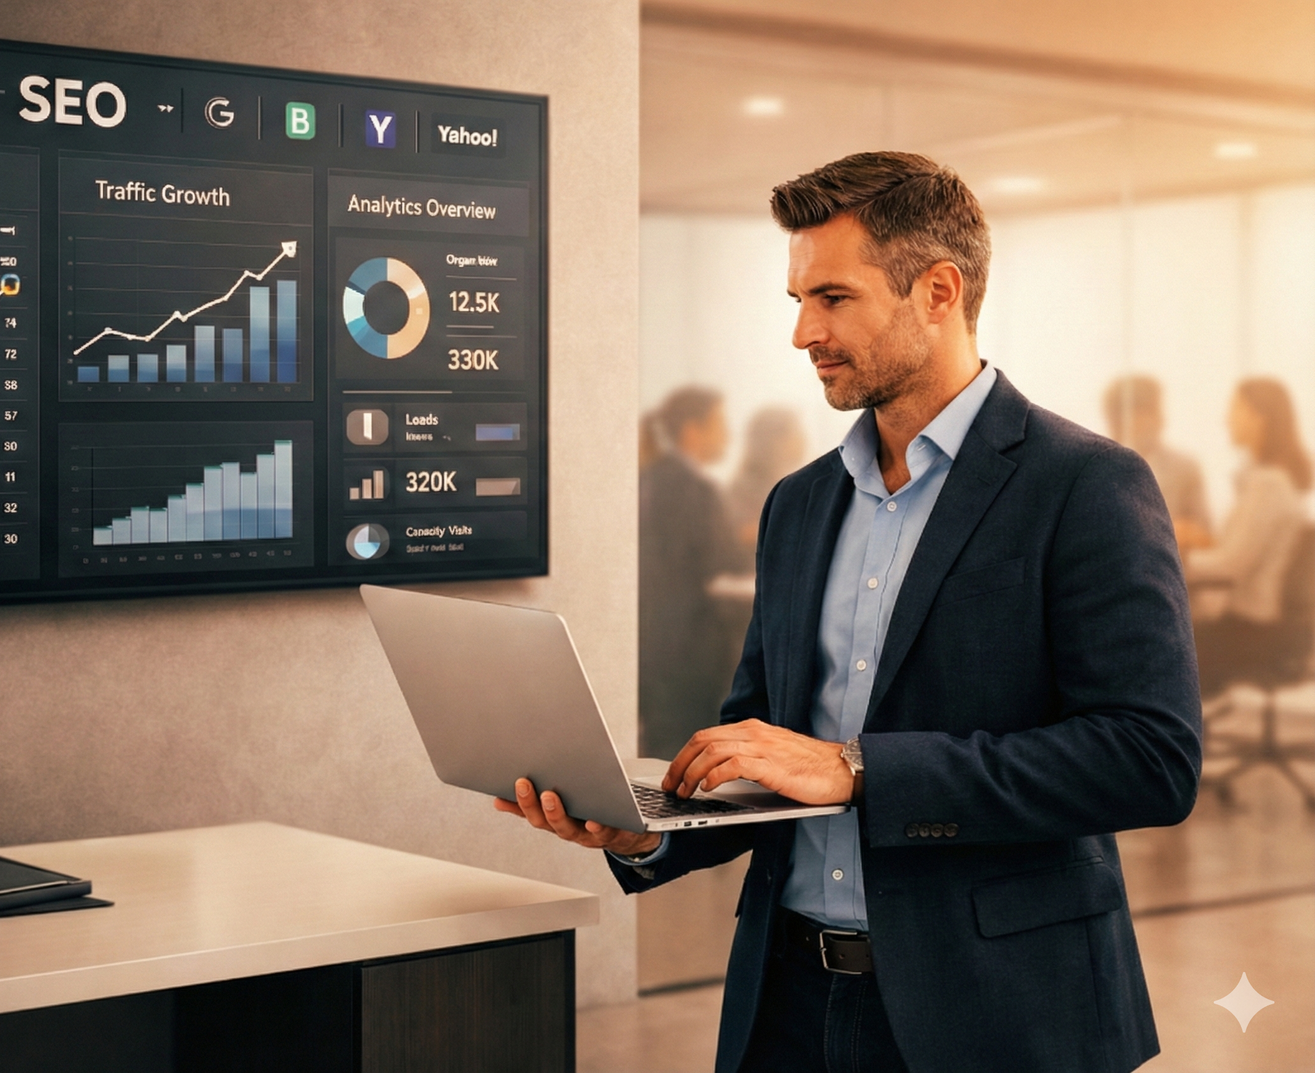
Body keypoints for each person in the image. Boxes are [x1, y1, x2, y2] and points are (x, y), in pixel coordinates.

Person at [497, 152, 1200, 1073]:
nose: (802, 332)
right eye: (798, 299)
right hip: (787, 999)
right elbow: (763, 745)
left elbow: (1150, 758)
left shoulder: (1087, 485)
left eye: (832, 298)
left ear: (938, 291)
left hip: (995, 1012)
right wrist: (650, 834)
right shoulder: (799, 503)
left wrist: (858, 770)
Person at [638, 387, 746, 761]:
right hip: (689, 653)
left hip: (655, 647)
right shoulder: (693, 489)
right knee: (685, 761)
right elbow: (717, 563)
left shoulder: (650, 478)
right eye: (720, 425)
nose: (727, 436)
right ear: (692, 431)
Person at [1187, 378, 1311, 698]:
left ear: (1259, 417)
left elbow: (1231, 565)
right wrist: (1199, 542)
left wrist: (1174, 554)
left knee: (1153, 650)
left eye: (1235, 409)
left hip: (1252, 632)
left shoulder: (1269, 484)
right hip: (1254, 629)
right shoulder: (1268, 481)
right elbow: (1240, 551)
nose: (1227, 419)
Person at [1103, 375, 1211, 553]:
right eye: (1151, 410)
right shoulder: (1097, 467)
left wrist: (1186, 534)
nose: (1160, 417)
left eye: (1157, 409)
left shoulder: (1184, 468)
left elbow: (1207, 537)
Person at [727, 406, 807, 555]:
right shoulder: (745, 487)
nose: (802, 440)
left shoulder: (792, 481)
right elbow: (739, 534)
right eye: (794, 433)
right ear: (774, 441)